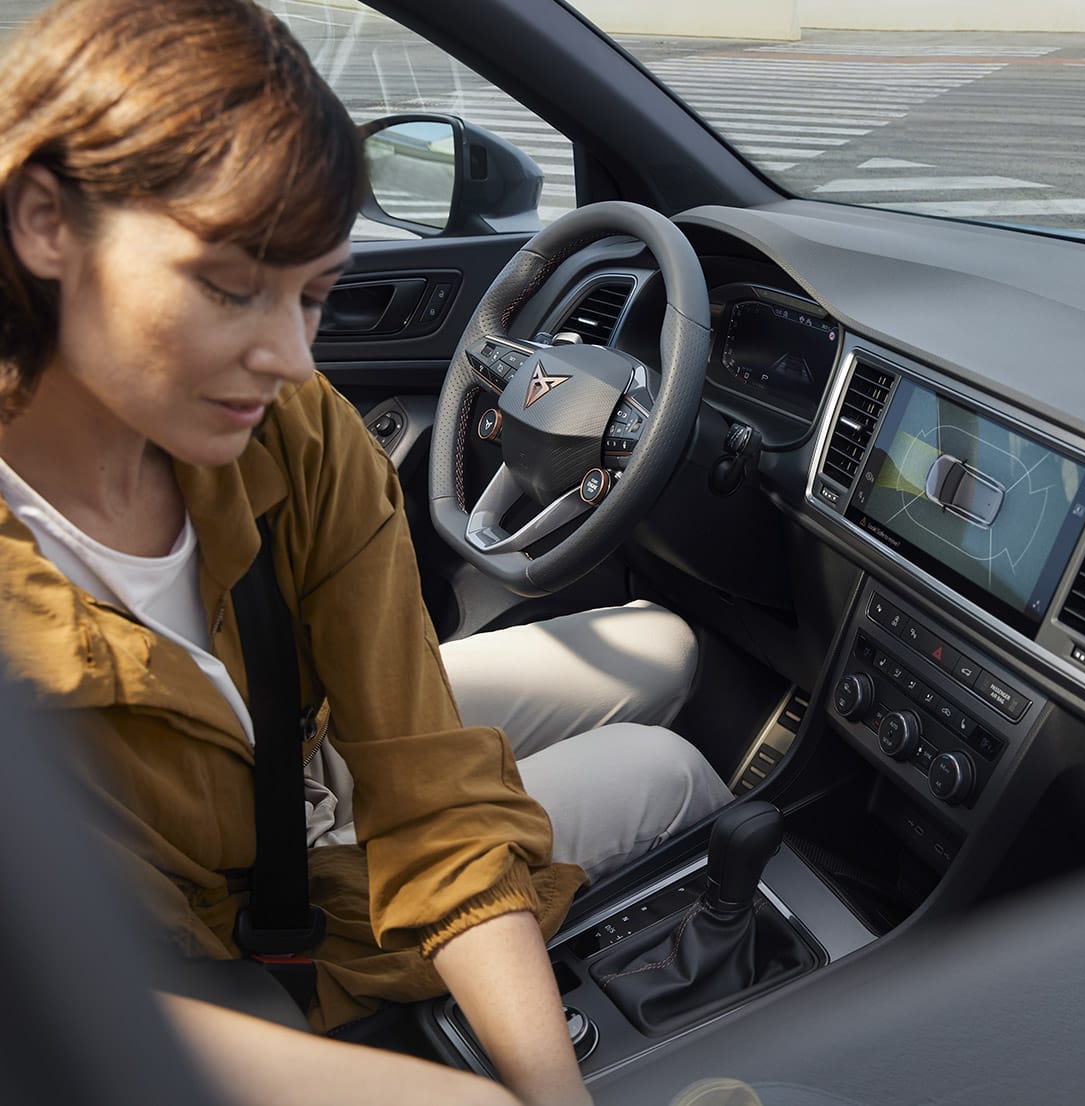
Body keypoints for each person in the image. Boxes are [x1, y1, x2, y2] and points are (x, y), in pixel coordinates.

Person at [0, 1, 730, 1103]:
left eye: (316, 295)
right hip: (223, 935)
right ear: (45, 220)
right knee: (669, 770)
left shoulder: (291, 429)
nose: (293, 358)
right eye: (233, 288)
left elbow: (428, 790)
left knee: (664, 643)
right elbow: (58, 1000)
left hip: (295, 761)